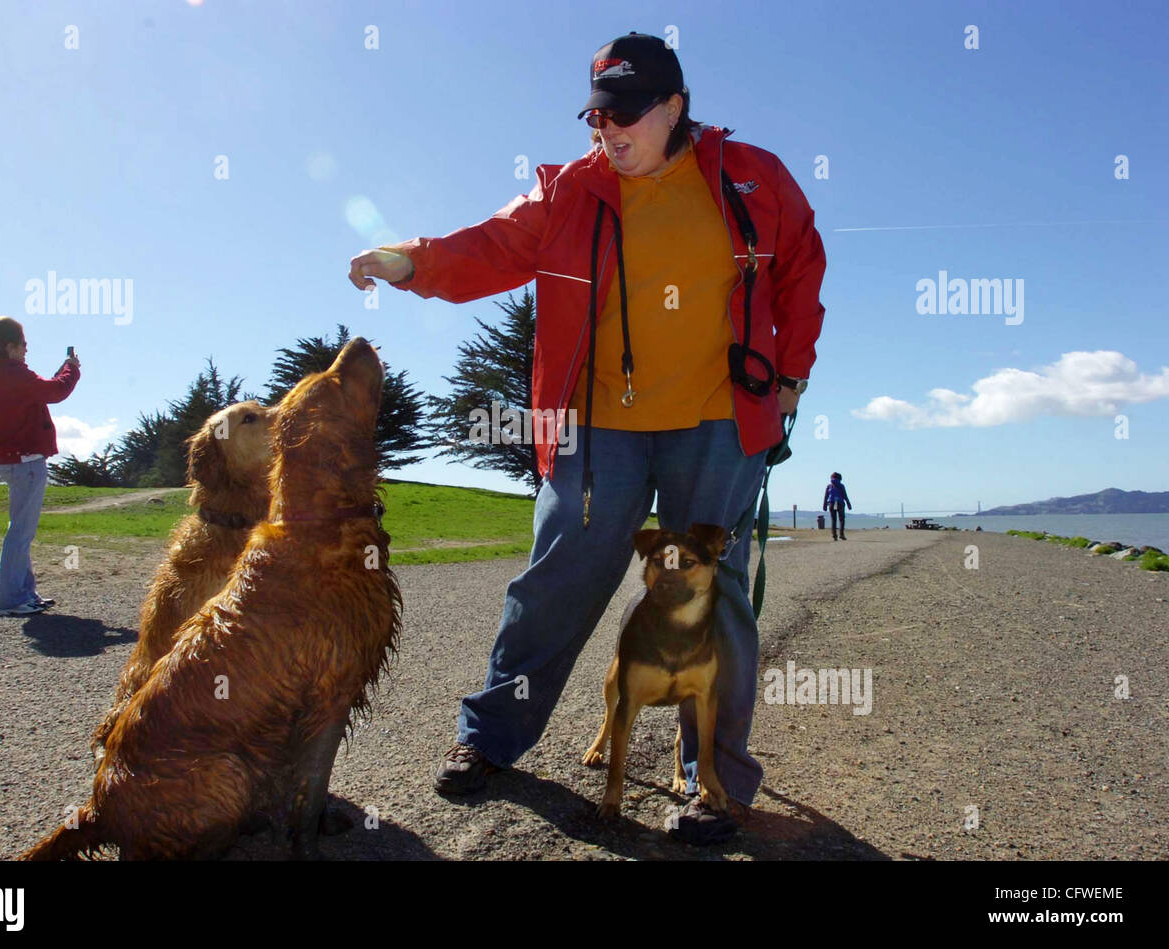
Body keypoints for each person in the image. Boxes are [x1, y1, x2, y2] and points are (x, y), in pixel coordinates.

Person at [349, 32, 825, 844]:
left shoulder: (753, 176)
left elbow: (801, 267)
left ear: (675, 108)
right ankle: (491, 736)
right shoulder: (570, 189)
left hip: (719, 416)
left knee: (715, 593)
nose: (608, 133)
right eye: (598, 116)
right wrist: (407, 261)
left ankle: (711, 780)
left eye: (627, 116)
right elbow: (490, 246)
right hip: (600, 424)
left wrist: (790, 378)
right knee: (558, 576)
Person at [0, 316, 81, 617]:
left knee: (19, 530)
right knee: (20, 533)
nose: (26, 349)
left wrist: (64, 370)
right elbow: (55, 392)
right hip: (27, 461)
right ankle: (8, 600)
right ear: (9, 347)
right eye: (23, 344)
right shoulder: (13, 373)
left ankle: (23, 593)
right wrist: (71, 368)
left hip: (12, 460)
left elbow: (39, 390)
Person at [823, 472, 851, 540]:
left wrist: (824, 505)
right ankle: (841, 534)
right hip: (840, 503)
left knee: (833, 520)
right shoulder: (841, 485)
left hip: (832, 503)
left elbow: (826, 496)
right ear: (839, 478)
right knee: (841, 519)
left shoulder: (829, 486)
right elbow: (845, 495)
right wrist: (848, 503)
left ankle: (834, 535)